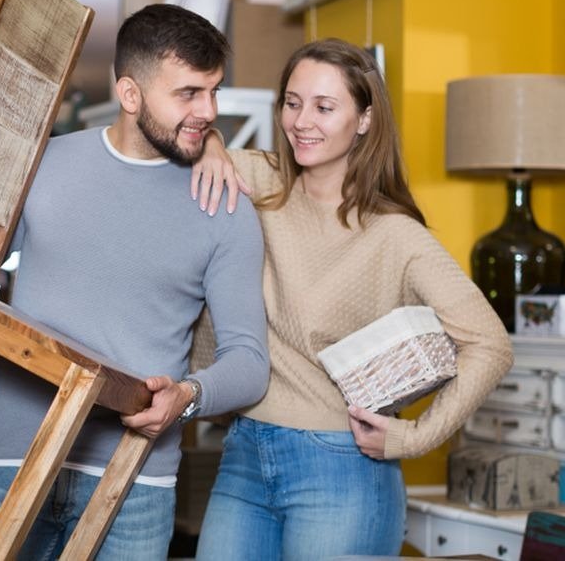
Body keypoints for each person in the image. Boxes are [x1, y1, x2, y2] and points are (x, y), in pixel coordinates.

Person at [0, 4, 269, 560]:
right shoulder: (43, 163)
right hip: (9, 460)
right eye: (189, 94)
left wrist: (189, 397)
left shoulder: (224, 206)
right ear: (130, 94)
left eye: (214, 92)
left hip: (132, 486)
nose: (209, 111)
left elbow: (249, 361)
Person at [188, 38, 514, 559]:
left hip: (341, 468)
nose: (301, 121)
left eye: (324, 106)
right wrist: (209, 144)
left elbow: (491, 345)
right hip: (244, 452)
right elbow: (194, 149)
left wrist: (412, 438)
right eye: (292, 103)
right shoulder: (258, 180)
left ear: (363, 119)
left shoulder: (395, 235)